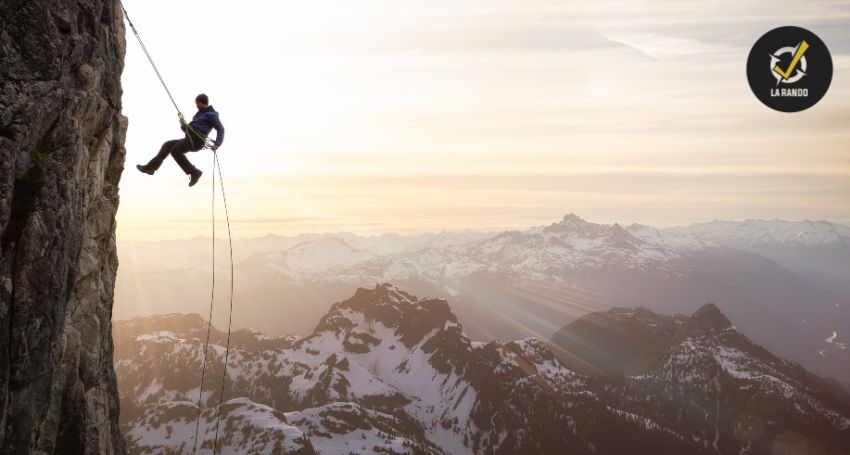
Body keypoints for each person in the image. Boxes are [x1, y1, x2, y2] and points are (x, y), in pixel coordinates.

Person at [136, 94, 225, 187]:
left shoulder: (211, 115)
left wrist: (217, 144)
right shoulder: (199, 115)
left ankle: (194, 172)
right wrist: (183, 124)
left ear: (200, 102)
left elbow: (220, 128)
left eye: (197, 104)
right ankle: (151, 168)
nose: (196, 106)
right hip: (190, 138)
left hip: (196, 140)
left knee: (175, 150)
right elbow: (188, 131)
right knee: (168, 145)